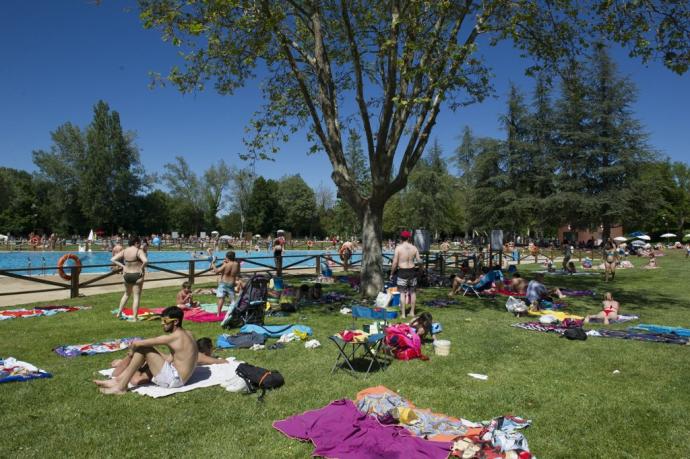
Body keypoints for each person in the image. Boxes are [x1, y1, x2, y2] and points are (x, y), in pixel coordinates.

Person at [93, 306, 198, 394]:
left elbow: (136, 343)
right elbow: (174, 357)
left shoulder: (173, 337)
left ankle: (120, 387)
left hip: (175, 380)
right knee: (146, 349)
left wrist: (132, 352)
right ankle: (118, 381)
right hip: (179, 377)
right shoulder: (188, 334)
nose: (162, 324)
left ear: (175, 321)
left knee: (143, 348)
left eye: (165, 321)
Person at [111, 237, 148, 321]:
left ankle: (119, 313)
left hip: (126, 275)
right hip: (137, 275)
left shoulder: (125, 250)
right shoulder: (139, 251)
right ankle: (135, 318)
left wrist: (123, 266)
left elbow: (113, 259)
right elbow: (145, 261)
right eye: (139, 243)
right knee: (136, 296)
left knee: (126, 294)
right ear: (135, 243)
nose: (140, 245)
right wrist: (141, 268)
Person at [390, 230, 421, 319]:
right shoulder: (414, 248)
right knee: (413, 292)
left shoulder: (398, 248)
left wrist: (392, 273)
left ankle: (403, 314)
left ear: (401, 238)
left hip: (402, 272)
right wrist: (421, 270)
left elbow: (395, 263)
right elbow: (419, 261)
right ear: (409, 238)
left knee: (402, 293)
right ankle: (412, 312)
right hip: (412, 271)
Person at [212, 251, 241, 316]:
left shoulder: (226, 264)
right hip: (231, 283)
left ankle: (218, 313)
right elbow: (238, 273)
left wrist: (213, 263)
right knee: (233, 300)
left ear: (227, 257)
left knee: (221, 298)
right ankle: (231, 313)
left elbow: (216, 271)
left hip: (224, 283)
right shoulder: (237, 264)